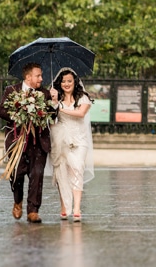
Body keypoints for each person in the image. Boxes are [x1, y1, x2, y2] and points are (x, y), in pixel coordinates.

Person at [0, 61, 59, 223]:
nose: (41, 78)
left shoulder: (45, 93)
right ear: (28, 77)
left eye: (41, 76)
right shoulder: (11, 90)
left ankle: (33, 210)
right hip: (17, 140)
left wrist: (53, 102)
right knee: (17, 174)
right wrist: (20, 112)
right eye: (38, 75)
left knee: (37, 175)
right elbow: (1, 111)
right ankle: (17, 201)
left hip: (38, 141)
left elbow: (52, 117)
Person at [49, 67, 94, 222]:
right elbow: (51, 119)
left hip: (79, 141)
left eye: (69, 81)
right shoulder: (57, 99)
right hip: (61, 139)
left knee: (77, 170)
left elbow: (80, 113)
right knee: (63, 174)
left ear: (75, 82)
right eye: (63, 81)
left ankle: (76, 208)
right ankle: (64, 206)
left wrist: (59, 108)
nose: (66, 84)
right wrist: (53, 102)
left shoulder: (83, 98)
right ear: (59, 83)